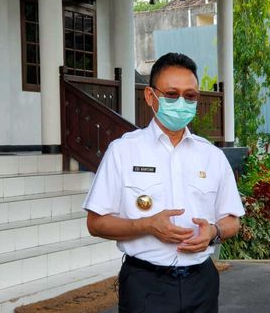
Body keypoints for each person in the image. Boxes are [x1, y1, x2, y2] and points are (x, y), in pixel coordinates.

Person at [83, 52, 245, 312]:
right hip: (145, 285)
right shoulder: (123, 151)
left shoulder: (211, 155)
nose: (181, 102)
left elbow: (232, 220)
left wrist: (213, 232)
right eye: (171, 94)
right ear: (150, 96)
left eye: (190, 95)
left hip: (201, 283)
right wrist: (147, 225)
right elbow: (96, 223)